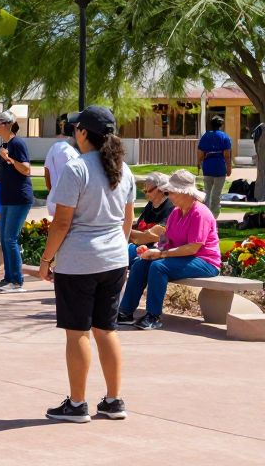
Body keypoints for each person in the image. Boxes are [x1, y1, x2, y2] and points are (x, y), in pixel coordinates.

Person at [38, 106, 136, 423]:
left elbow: (62, 223)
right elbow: (127, 219)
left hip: (79, 261)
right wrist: (118, 248)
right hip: (114, 259)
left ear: (83, 133)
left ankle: (77, 404)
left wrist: (46, 258)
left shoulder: (77, 168)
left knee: (77, 332)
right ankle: (113, 400)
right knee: (106, 330)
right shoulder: (124, 170)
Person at [117, 169, 221, 330]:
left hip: (205, 261)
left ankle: (153, 316)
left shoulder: (200, 213)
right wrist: (151, 250)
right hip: (182, 258)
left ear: (184, 192)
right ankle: (125, 312)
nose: (169, 195)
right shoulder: (175, 213)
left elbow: (193, 248)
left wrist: (161, 254)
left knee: (159, 267)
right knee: (140, 263)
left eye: (171, 192)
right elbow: (166, 239)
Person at [0, 111, 33, 292]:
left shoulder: (17, 144)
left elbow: (26, 169)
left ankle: (16, 281)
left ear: (7, 124)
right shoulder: (4, 145)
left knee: (10, 238)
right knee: (5, 239)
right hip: (6, 199)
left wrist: (9, 158)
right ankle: (8, 278)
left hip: (19, 198)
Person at [128, 171, 173, 262]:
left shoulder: (170, 207)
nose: (146, 194)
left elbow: (152, 236)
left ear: (161, 189)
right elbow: (139, 229)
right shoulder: (151, 204)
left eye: (149, 191)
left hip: (155, 251)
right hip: (140, 247)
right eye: (144, 191)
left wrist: (124, 230)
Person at [44, 115, 79, 218]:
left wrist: (53, 192)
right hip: (70, 204)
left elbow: (47, 173)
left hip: (56, 200)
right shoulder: (70, 151)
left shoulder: (56, 147)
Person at [197, 115, 232, 217]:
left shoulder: (205, 136)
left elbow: (200, 154)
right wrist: (229, 167)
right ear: (221, 125)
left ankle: (205, 215)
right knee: (216, 194)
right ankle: (214, 216)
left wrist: (198, 164)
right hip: (220, 168)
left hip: (207, 167)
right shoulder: (224, 137)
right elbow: (226, 155)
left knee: (207, 192)